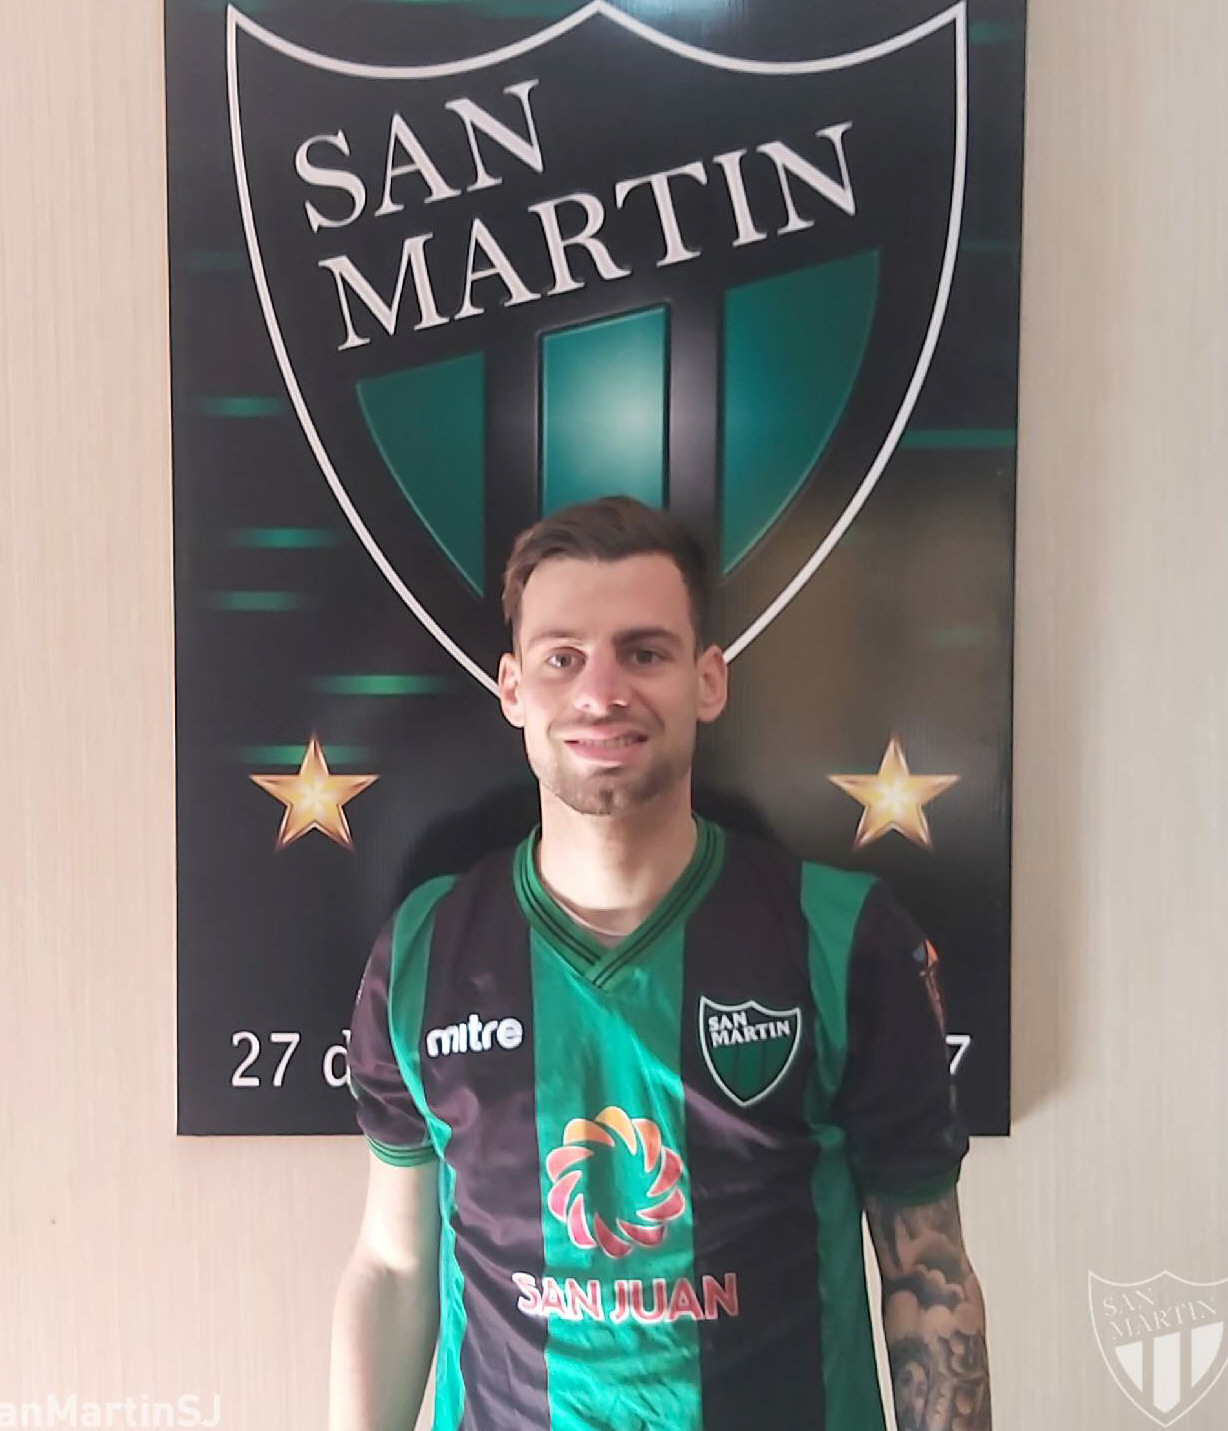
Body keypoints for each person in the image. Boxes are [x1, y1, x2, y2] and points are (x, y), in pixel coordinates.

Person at [329, 496, 992, 1431]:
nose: (602, 692)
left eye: (644, 653)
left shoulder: (845, 940)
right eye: (563, 657)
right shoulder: (423, 952)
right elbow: (395, 1268)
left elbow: (927, 1272)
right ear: (513, 688)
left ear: (707, 681)